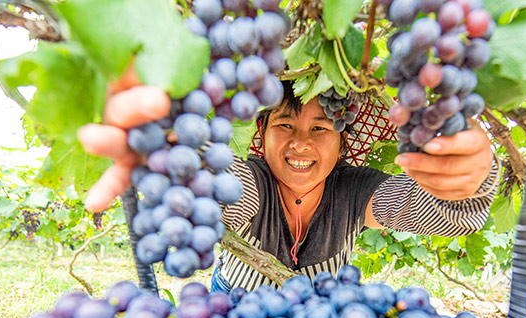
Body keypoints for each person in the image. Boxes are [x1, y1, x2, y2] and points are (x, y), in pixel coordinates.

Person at [79, 73, 498, 292]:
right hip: (235, 313)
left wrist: (470, 177)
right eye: (285, 124)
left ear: (342, 140)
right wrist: (179, 154)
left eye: (320, 128)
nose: (301, 144)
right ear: (261, 135)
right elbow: (223, 189)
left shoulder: (355, 190)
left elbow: (443, 212)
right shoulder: (254, 183)